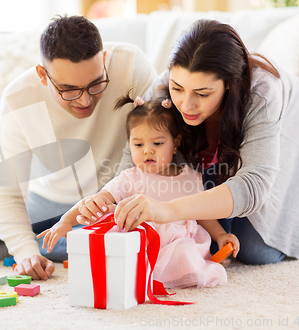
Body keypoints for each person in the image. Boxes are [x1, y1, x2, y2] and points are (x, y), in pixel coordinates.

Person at [0, 15, 157, 279]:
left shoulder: (131, 65)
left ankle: (2, 249)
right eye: (69, 90)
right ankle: (25, 244)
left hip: (104, 203)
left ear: (104, 58)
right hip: (39, 199)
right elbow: (7, 194)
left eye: (95, 84)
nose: (85, 100)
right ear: (43, 75)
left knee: (115, 246)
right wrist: (25, 253)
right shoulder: (19, 98)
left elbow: (158, 142)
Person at [75, 19, 299, 265]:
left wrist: (169, 210)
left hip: (290, 129)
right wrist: (109, 199)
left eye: (202, 94)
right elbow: (133, 163)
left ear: (229, 84)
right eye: (178, 88)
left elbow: (253, 187)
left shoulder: (262, 94)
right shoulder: (164, 89)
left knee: (254, 251)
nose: (186, 104)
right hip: (212, 167)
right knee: (201, 233)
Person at [38, 93, 240, 288]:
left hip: (180, 244)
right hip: (139, 244)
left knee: (187, 255)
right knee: (99, 246)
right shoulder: (130, 178)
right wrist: (66, 220)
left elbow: (203, 215)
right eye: (138, 144)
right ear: (130, 145)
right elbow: (94, 201)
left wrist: (221, 235)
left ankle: (178, 273)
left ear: (175, 143)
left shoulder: (190, 177)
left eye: (158, 143)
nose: (147, 150)